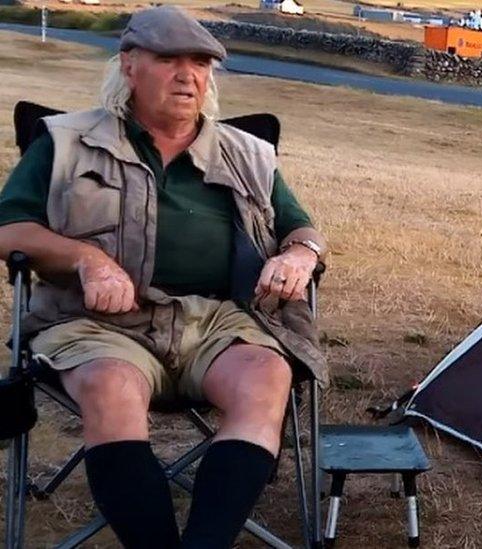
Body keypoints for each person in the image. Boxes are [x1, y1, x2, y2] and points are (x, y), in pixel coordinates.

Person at [0, 6, 327, 548]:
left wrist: (299, 257)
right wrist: (88, 260)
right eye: (168, 59)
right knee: (112, 387)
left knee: (266, 379)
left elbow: (302, 230)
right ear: (129, 65)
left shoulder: (249, 154)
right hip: (96, 323)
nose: (188, 75)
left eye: (200, 62)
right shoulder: (63, 142)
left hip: (220, 320)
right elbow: (8, 231)